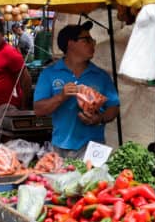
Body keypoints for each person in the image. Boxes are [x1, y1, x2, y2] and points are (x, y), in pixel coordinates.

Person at [33, 22, 119, 158]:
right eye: (87, 40)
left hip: (94, 147)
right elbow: (38, 109)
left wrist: (99, 118)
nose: (93, 44)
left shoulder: (101, 75)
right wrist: (60, 97)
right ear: (70, 44)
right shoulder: (49, 73)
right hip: (60, 147)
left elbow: (114, 108)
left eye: (92, 40)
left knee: (93, 180)